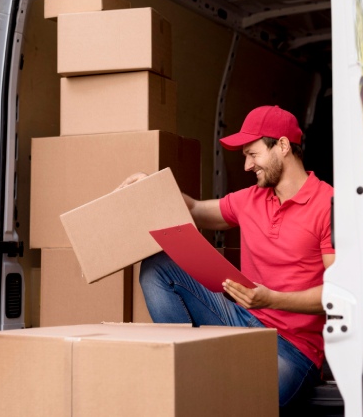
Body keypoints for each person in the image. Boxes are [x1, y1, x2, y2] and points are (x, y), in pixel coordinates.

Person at [118, 105, 335, 410]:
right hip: (241, 321)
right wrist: (150, 184)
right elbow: (193, 209)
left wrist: (270, 299)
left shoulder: (328, 204)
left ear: (283, 146)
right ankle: (186, 367)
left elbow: (337, 294)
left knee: (236, 405)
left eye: (253, 154)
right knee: (158, 267)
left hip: (293, 351)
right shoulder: (251, 199)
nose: (247, 165)